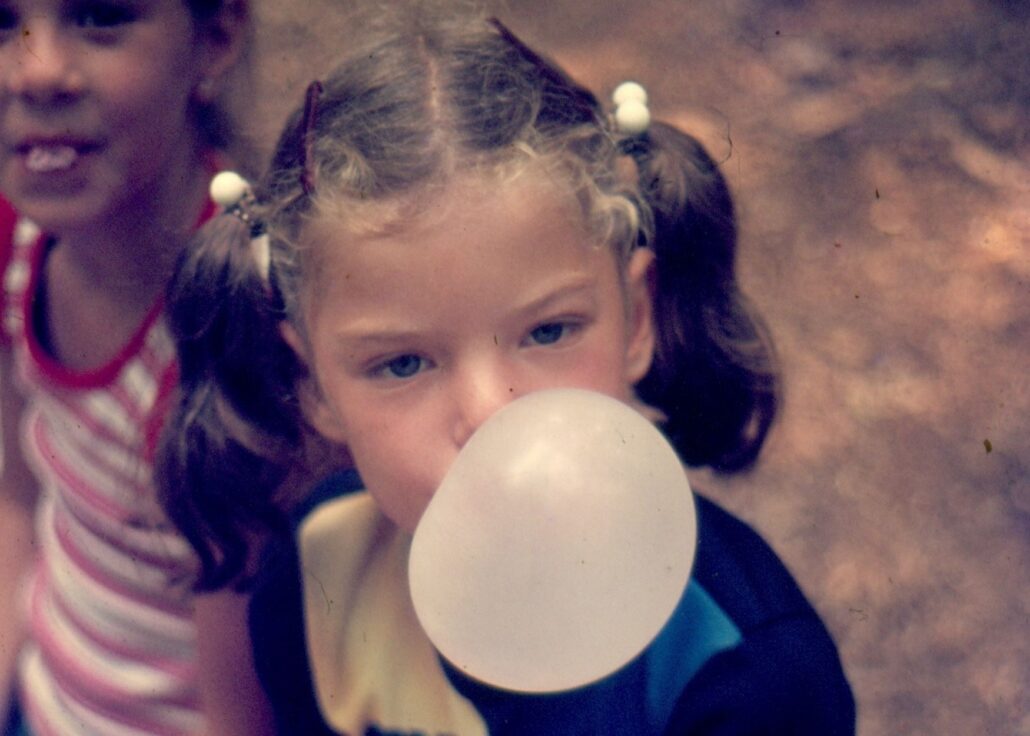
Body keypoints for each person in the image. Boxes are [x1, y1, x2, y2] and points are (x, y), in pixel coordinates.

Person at [159, 4, 857, 734]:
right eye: (402, 364)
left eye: (548, 331)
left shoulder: (747, 672)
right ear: (314, 385)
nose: (491, 414)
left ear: (636, 317)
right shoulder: (316, 575)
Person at [0, 1, 268, 734]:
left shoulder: (233, 325)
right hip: (40, 692)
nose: (37, 71)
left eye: (100, 16)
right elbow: (18, 501)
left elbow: (241, 711)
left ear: (215, 37)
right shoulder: (17, 236)